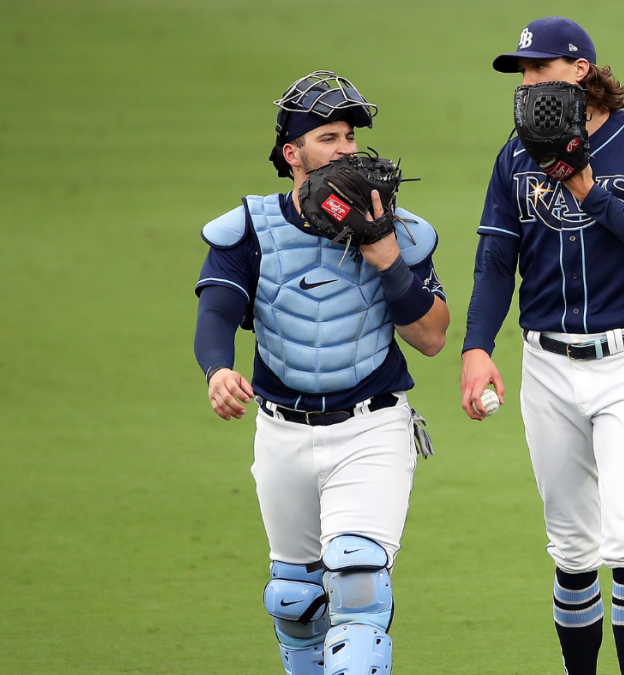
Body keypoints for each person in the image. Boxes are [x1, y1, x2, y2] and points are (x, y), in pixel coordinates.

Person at [459, 18, 624, 675]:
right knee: (570, 549)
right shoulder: (514, 156)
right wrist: (477, 346)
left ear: (580, 70)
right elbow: (493, 260)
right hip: (546, 367)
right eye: (522, 72)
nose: (528, 80)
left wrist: (589, 190)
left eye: (538, 68)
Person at [193, 71, 448, 675]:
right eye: (329, 138)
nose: (346, 150)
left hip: (370, 427)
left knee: (358, 582)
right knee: (295, 602)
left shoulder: (397, 226)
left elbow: (432, 337)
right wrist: (217, 371)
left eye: (349, 139)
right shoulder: (250, 228)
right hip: (281, 432)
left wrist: (386, 258)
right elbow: (217, 312)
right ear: (293, 153)